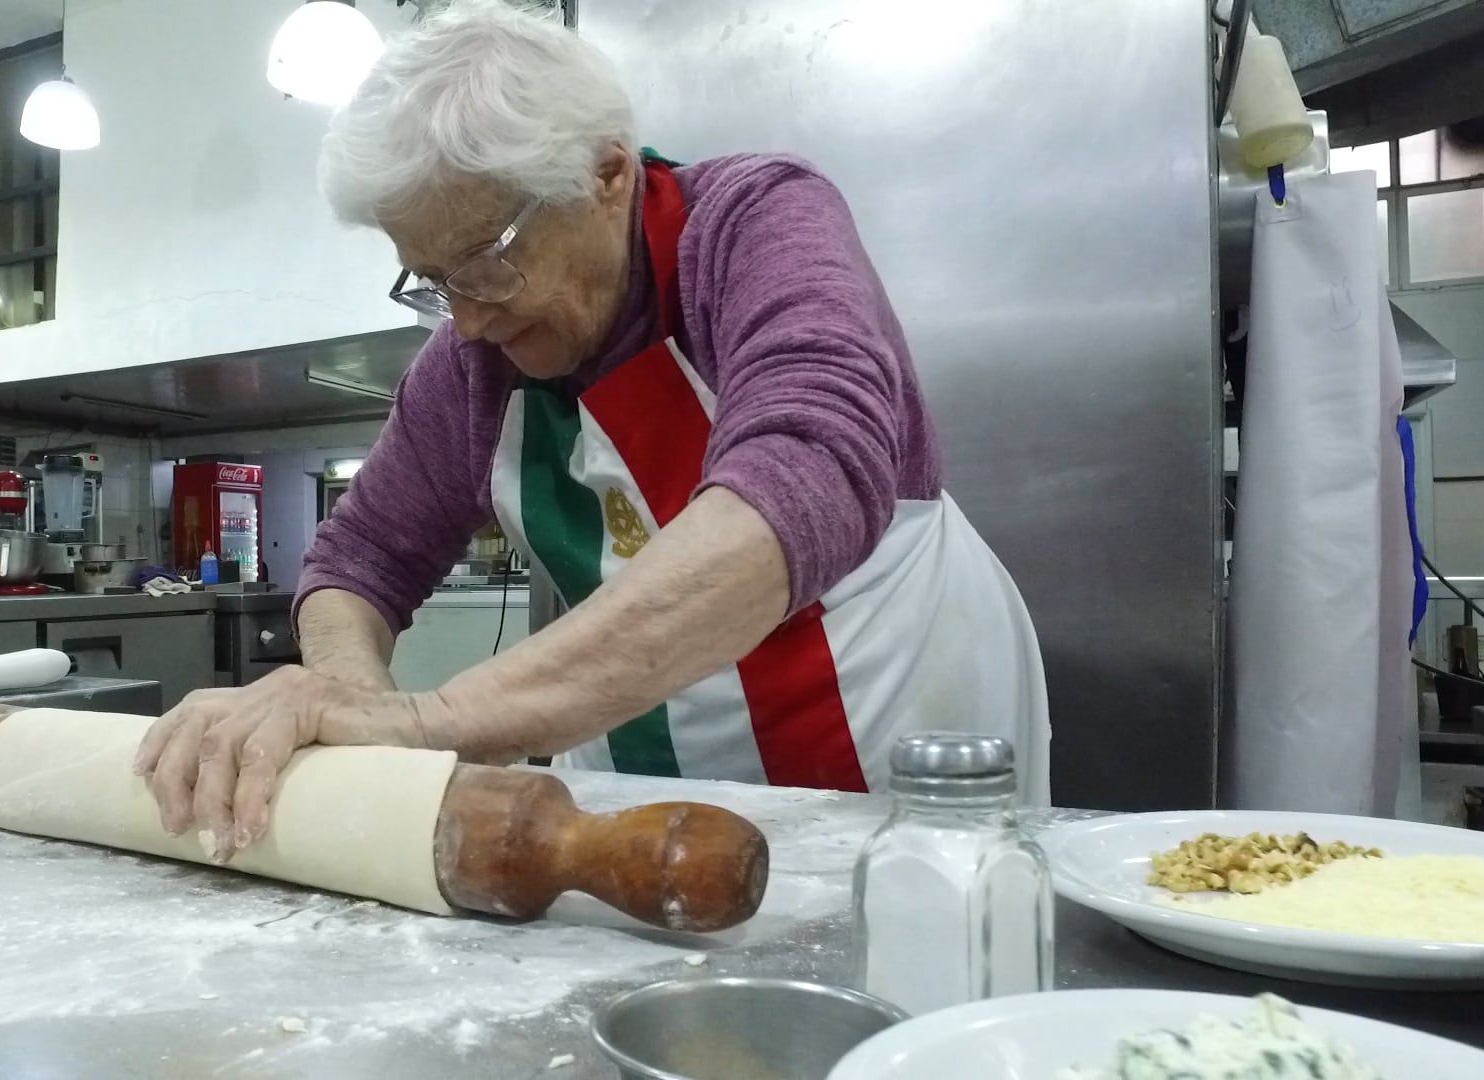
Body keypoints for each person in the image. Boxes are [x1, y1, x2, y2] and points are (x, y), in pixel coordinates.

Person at [135, 0, 1048, 862]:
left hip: (894, 755)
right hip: (635, 781)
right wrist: (349, 698)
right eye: (431, 280)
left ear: (607, 176)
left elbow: (808, 472)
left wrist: (428, 721)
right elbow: (359, 558)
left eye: (486, 264)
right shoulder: (466, 366)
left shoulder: (753, 223)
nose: (469, 319)